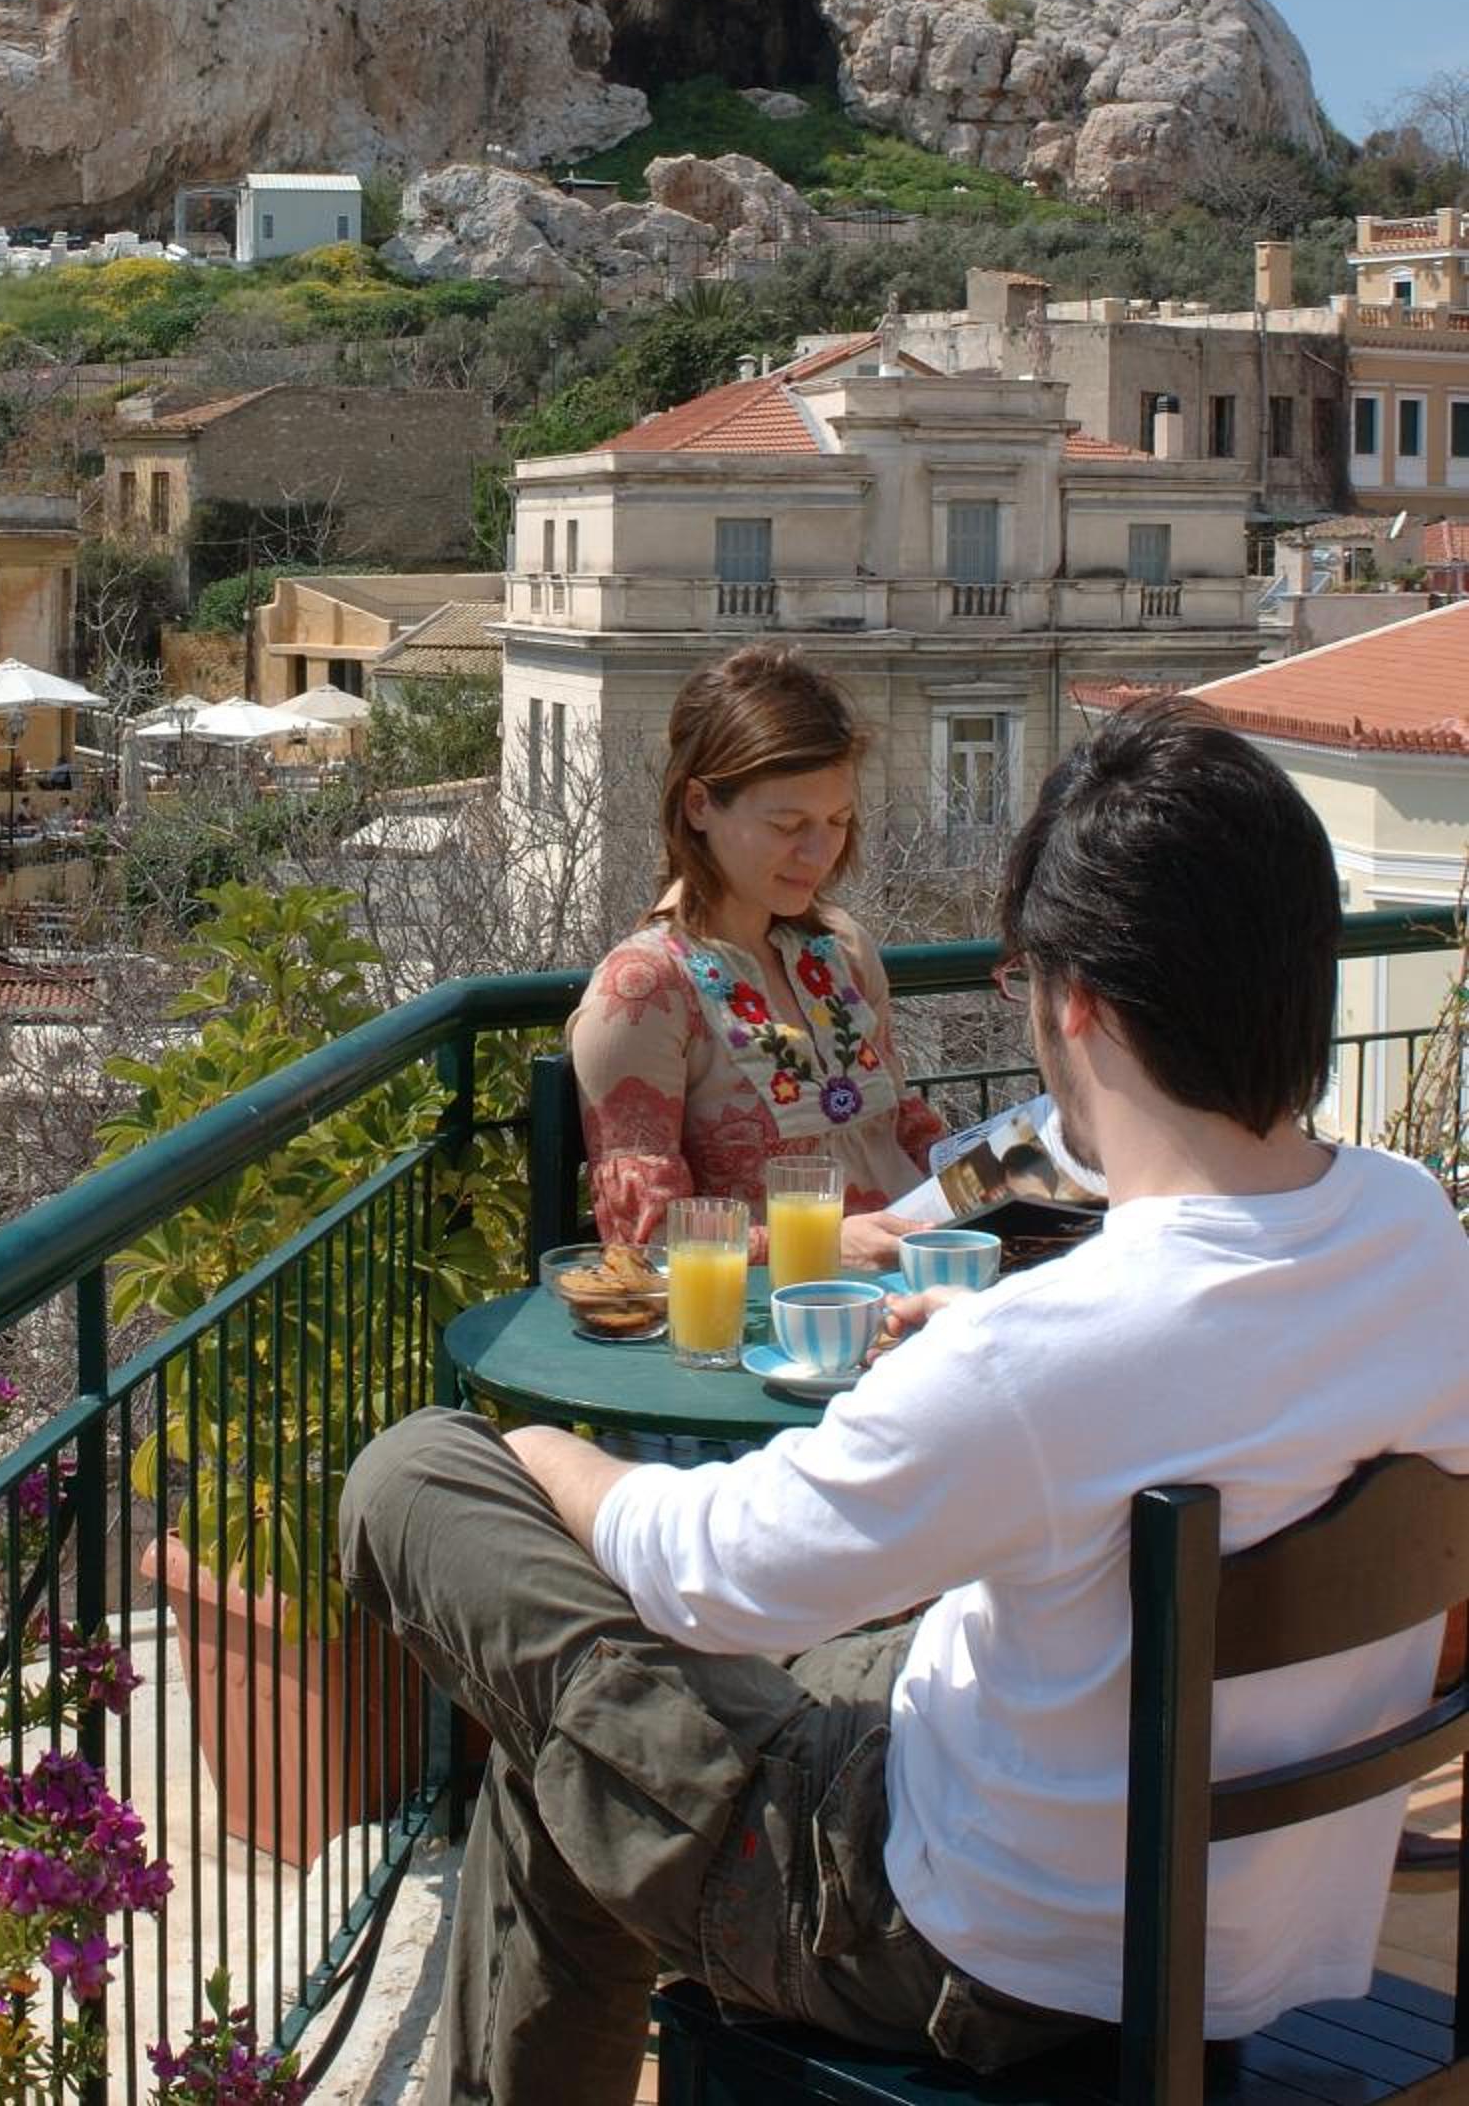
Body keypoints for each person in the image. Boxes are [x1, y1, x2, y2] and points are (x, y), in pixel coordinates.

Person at [341, 703, 1469, 2106]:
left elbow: (712, 1579)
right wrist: (981, 1357)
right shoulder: (1415, 1230)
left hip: (971, 1955)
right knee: (566, 1758)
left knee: (414, 1472)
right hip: (1246, 1923)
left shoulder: (1038, 1357)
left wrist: (541, 1458)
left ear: (1074, 1003)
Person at [567, 645, 942, 1267]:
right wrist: (822, 1246)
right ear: (699, 806)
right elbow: (645, 1242)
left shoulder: (842, 952)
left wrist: (1006, 1169)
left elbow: (901, 1126)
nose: (819, 853)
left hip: (919, 1290)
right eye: (788, 826)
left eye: (838, 821)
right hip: (774, 1318)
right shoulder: (645, 990)